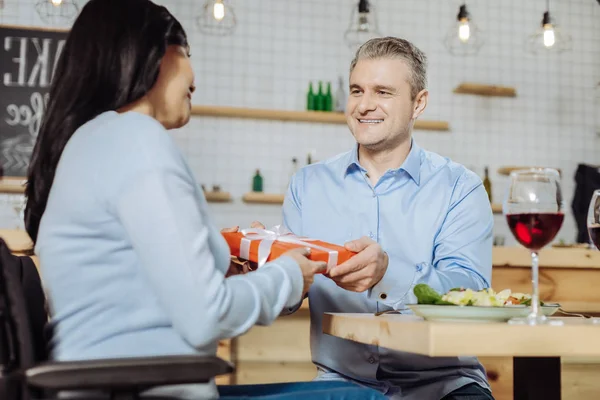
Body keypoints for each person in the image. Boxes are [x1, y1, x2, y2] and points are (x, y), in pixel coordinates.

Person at [23, 0, 386, 399]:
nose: (195, 78)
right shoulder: (137, 140)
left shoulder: (90, 142)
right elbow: (205, 316)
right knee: (363, 395)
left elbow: (135, 292)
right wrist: (287, 275)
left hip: (116, 382)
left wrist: (229, 266)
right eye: (188, 54)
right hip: (150, 388)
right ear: (155, 55)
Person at [279, 37, 495, 400]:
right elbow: (287, 297)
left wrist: (388, 275)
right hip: (340, 384)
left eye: (383, 92)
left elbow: (469, 292)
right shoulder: (307, 185)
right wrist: (261, 267)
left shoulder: (461, 187)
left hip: (443, 384)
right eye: (357, 90)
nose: (364, 105)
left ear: (418, 103)